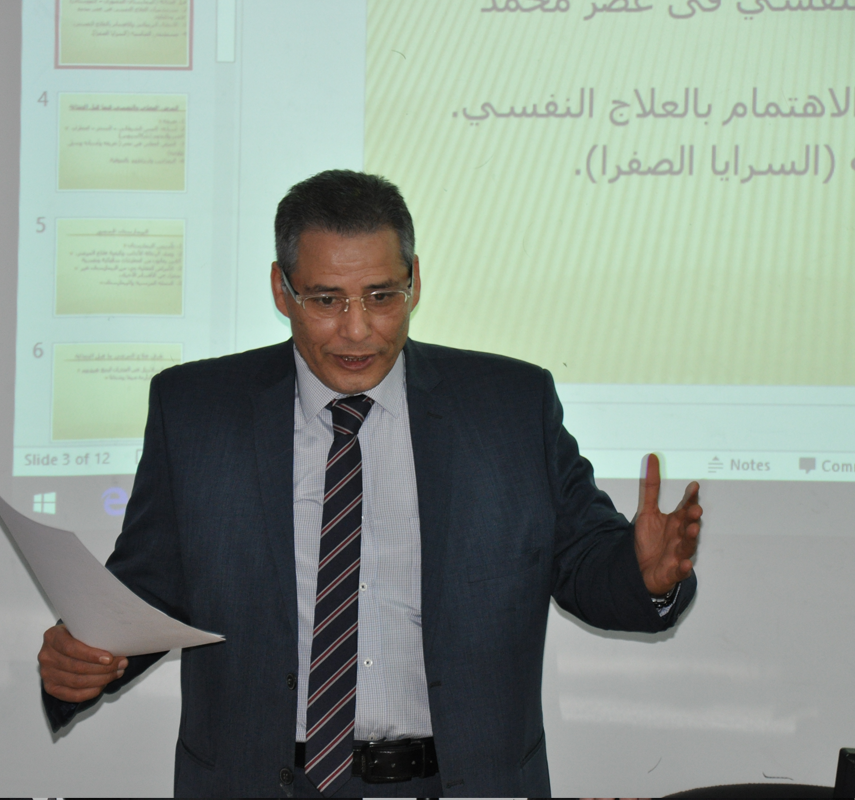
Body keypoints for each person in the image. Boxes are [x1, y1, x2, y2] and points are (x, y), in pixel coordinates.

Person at [38, 170, 701, 798]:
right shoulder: (198, 411)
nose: (356, 329)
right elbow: (143, 593)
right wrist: (81, 656)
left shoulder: (509, 407)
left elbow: (585, 563)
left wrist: (643, 575)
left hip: (458, 782)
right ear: (281, 291)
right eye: (326, 299)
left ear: (415, 283)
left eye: (382, 296)